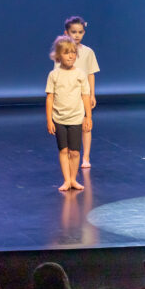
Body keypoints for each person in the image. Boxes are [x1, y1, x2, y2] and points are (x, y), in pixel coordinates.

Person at [46, 36, 92, 191]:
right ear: (59, 56)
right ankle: (66, 180)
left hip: (76, 118)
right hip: (59, 118)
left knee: (75, 151)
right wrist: (49, 120)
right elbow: (50, 98)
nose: (71, 55)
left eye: (73, 52)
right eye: (66, 53)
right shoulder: (54, 75)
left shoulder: (80, 74)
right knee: (63, 150)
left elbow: (85, 96)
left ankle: (73, 179)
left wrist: (88, 116)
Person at [59, 16, 100, 168]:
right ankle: (71, 154)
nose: (77, 35)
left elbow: (91, 74)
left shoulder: (88, 52)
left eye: (80, 32)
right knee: (70, 126)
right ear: (66, 32)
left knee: (86, 125)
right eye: (73, 32)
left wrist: (92, 94)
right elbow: (58, 74)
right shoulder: (61, 52)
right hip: (68, 95)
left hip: (84, 94)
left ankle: (86, 157)